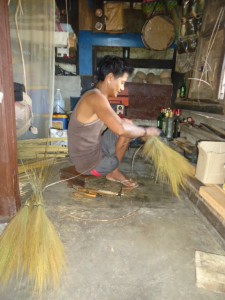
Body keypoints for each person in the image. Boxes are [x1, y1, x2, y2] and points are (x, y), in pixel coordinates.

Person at [68, 55, 161, 188]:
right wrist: (146, 131)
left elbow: (122, 125)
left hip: (95, 150)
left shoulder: (96, 95)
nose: (122, 88)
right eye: (122, 82)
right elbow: (120, 129)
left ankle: (114, 172)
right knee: (122, 137)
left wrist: (138, 132)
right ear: (110, 78)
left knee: (127, 124)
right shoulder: (95, 98)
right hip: (87, 164)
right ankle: (113, 172)